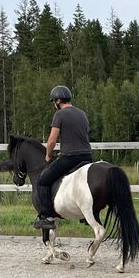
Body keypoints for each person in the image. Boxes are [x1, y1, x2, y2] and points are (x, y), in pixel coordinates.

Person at [32, 85, 93, 229]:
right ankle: (85, 215)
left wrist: (48, 155)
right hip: (87, 156)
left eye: (54, 101)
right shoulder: (82, 113)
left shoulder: (59, 115)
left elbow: (52, 141)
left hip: (70, 157)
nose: (54, 104)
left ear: (58, 100)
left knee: (43, 180)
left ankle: (47, 217)